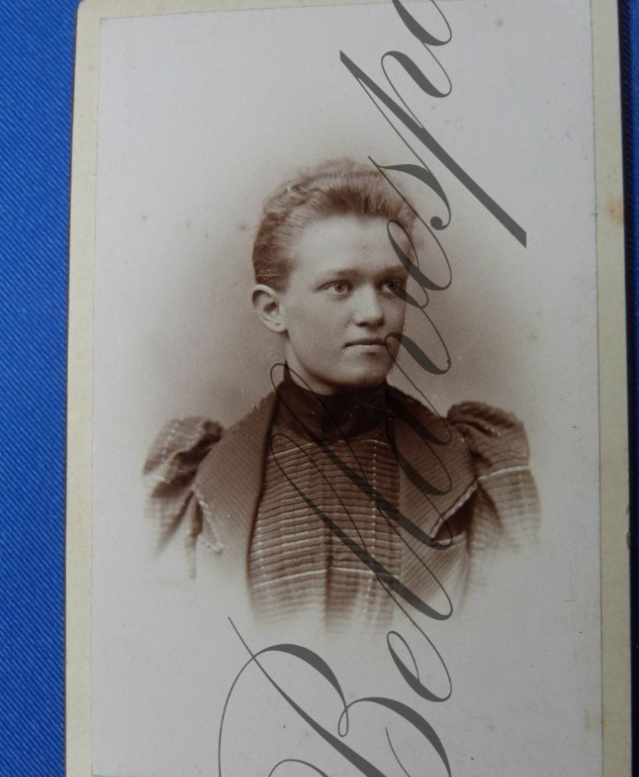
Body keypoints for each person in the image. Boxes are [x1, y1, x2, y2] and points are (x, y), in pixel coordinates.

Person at [144, 160, 540, 639]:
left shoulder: (476, 470)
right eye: (340, 286)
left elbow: (510, 653)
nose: (373, 313)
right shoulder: (195, 480)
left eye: (391, 286)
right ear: (273, 310)